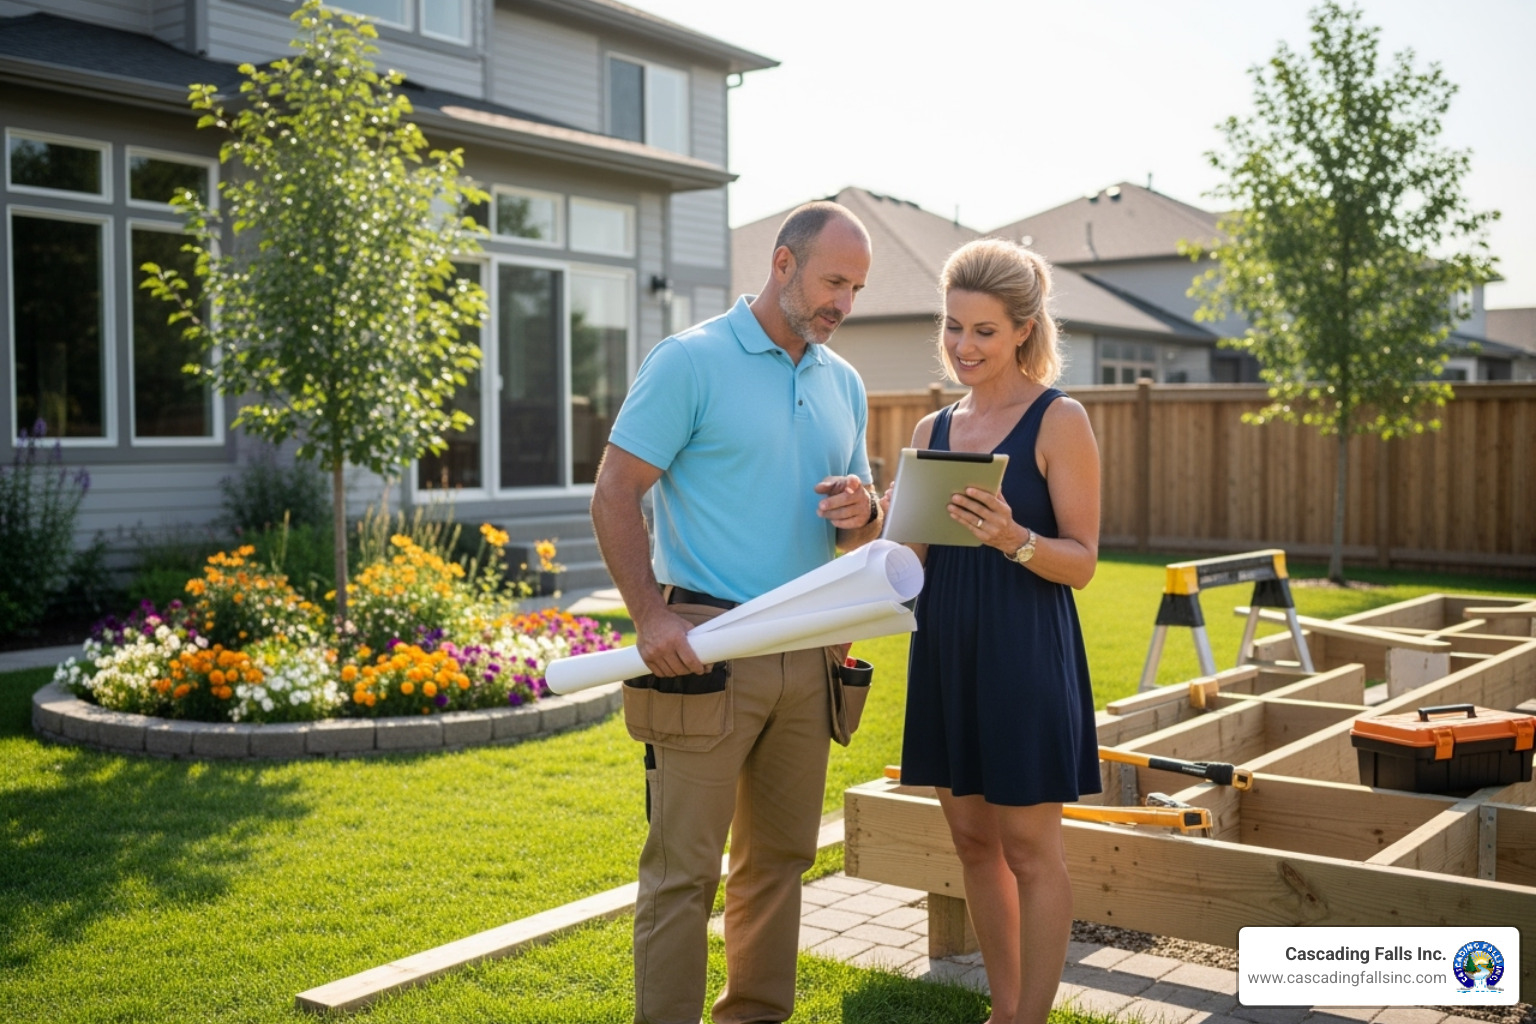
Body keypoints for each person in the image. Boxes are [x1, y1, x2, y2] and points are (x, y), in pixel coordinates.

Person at [590, 200, 884, 1024]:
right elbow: (614, 494)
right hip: (706, 649)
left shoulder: (845, 381)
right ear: (783, 265)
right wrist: (651, 618)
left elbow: (864, 514)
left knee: (781, 860)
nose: (844, 305)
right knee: (684, 871)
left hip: (811, 645)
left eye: (856, 289)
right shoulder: (690, 361)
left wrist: (865, 509)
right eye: (834, 282)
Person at [893, 238, 1101, 1024]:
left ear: (1022, 329)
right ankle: (1001, 1011)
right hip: (945, 649)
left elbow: (1080, 562)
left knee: (1029, 852)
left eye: (983, 330)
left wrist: (1013, 537)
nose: (963, 346)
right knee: (973, 845)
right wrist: (870, 516)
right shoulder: (934, 429)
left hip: (1023, 654)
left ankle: (1031, 1020)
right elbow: (903, 559)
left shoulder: (1060, 419)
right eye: (953, 327)